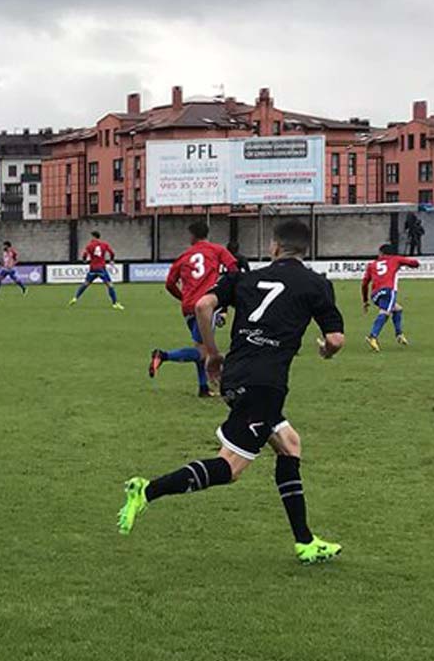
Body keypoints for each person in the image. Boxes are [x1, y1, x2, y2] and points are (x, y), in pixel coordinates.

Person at [117, 218, 347, 564]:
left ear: (273, 247)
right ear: (306, 249)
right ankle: (146, 490)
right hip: (264, 385)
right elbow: (335, 339)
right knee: (231, 468)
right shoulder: (316, 284)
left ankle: (305, 542)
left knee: (290, 444)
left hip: (236, 375)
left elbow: (202, 306)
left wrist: (211, 353)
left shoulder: (246, 278)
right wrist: (325, 351)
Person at [149, 222, 238, 398]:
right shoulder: (217, 250)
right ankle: (163, 355)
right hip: (206, 306)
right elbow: (234, 270)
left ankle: (203, 388)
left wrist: (183, 298)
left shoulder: (184, 256)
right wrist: (225, 294)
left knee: (200, 347)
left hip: (188, 307)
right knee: (203, 351)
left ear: (192, 236)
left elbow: (169, 284)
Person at [361, 244, 420, 350]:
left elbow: (364, 284)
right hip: (388, 291)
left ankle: (399, 334)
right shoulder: (395, 259)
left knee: (397, 309)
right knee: (385, 313)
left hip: (375, 295)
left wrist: (365, 301)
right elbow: (414, 263)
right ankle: (372, 336)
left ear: (381, 253)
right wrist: (410, 264)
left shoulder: (372, 264)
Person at [71, 231, 122, 309]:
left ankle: (75, 298)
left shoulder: (89, 245)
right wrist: (111, 260)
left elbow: (85, 254)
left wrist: (84, 260)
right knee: (110, 285)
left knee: (86, 284)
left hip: (93, 268)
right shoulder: (104, 244)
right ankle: (115, 303)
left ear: (94, 237)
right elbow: (112, 253)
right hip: (101, 268)